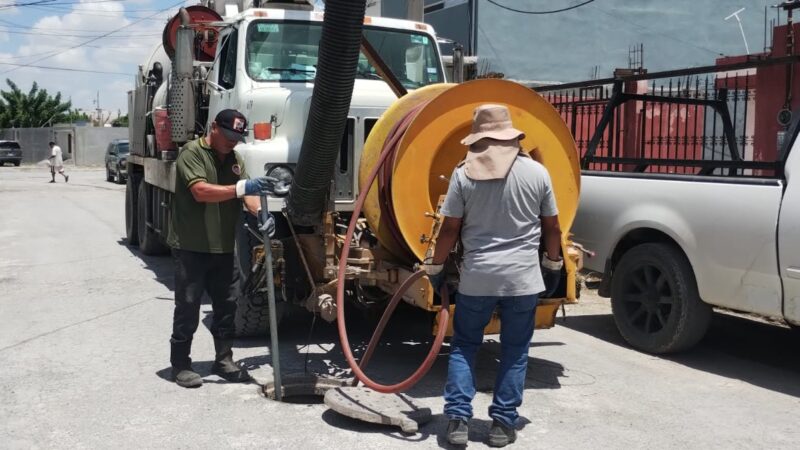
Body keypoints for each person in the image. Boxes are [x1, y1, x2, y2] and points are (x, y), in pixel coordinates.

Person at [422, 104, 563, 447]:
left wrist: (436, 268)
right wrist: (553, 264)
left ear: (479, 138)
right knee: (515, 350)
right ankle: (503, 424)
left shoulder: (463, 174)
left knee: (465, 346)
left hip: (477, 279)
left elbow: (449, 229)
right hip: (523, 280)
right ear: (512, 136)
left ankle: (457, 420)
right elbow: (553, 227)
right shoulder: (537, 173)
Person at [167, 109, 279, 388]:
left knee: (227, 305)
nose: (233, 142)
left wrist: (261, 215)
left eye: (238, 137)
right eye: (228, 135)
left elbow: (248, 195)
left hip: (222, 247)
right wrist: (240, 189)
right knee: (189, 307)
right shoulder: (192, 153)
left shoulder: (235, 160)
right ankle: (181, 364)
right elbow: (201, 192)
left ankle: (224, 359)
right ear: (214, 128)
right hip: (192, 246)